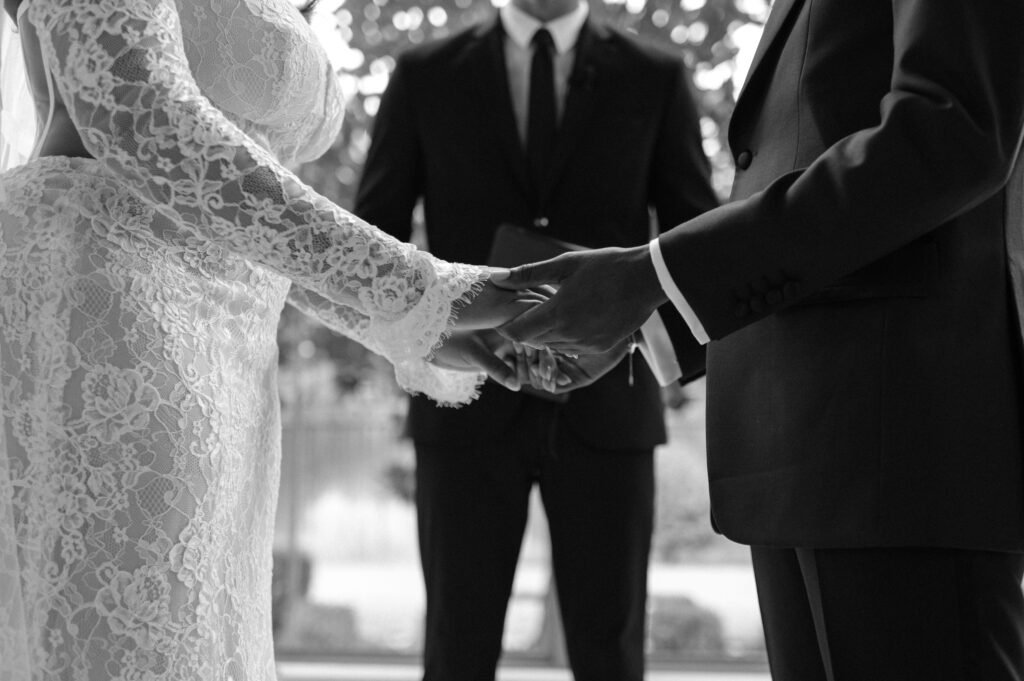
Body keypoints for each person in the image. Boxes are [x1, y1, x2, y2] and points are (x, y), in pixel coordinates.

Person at [0, 0, 542, 678]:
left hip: (223, 342)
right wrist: (417, 285)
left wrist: (407, 325)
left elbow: (242, 213)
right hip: (112, 316)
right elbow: (137, 113)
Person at [499, 0, 1024, 679]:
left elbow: (949, 132)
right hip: (811, 443)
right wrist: (650, 314)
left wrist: (656, 273)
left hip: (898, 449)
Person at [355, 0, 716, 678]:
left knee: (611, 652)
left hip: (611, 406)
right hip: (464, 405)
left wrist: (670, 367)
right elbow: (375, 235)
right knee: (456, 648)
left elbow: (694, 236)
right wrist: (420, 348)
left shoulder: (657, 75)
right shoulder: (424, 72)